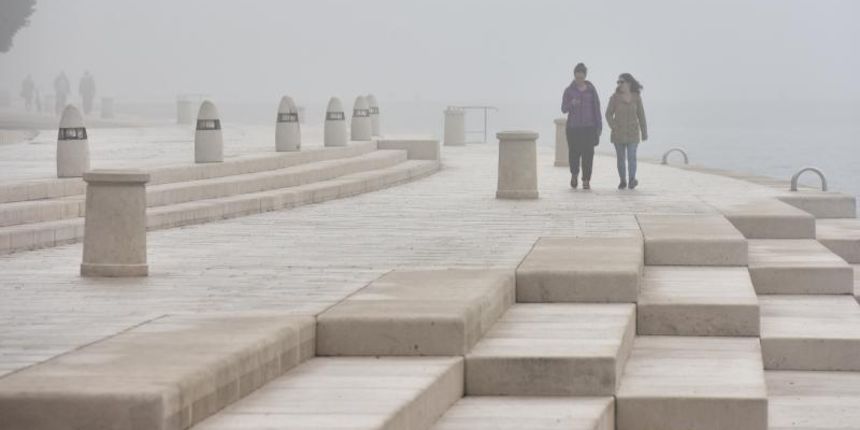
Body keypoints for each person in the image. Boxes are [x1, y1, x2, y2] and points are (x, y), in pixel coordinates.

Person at [561, 62, 602, 189]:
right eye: (577, 77)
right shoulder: (568, 91)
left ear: (585, 76)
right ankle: (574, 174)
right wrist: (571, 103)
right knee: (574, 154)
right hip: (573, 128)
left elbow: (597, 109)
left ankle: (586, 180)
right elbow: (563, 109)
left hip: (589, 128)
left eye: (581, 77)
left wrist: (599, 126)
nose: (579, 80)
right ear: (574, 76)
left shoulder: (591, 90)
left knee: (588, 155)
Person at [605, 73, 648, 189]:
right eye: (618, 82)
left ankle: (632, 179)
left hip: (633, 133)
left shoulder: (636, 97)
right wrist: (614, 126)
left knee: (632, 156)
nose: (619, 84)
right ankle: (623, 180)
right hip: (618, 134)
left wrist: (644, 132)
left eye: (621, 82)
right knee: (620, 159)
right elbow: (608, 114)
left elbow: (641, 115)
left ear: (628, 83)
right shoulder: (614, 98)